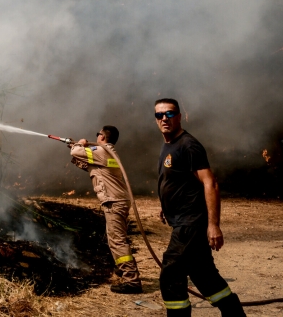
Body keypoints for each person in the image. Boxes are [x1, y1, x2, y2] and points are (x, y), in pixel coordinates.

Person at [154, 98, 246, 316]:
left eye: (169, 113)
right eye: (159, 115)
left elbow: (210, 182)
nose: (164, 119)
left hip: (191, 222)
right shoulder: (169, 144)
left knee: (171, 273)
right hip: (182, 218)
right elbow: (176, 180)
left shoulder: (189, 145)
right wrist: (165, 205)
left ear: (179, 116)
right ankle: (234, 314)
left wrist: (214, 225)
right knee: (202, 273)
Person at [70, 126, 143, 294]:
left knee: (117, 241)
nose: (95, 136)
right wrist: (77, 148)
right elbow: (88, 165)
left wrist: (79, 144)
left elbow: (76, 153)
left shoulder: (100, 151)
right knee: (119, 238)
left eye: (98, 134)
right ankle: (122, 267)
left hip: (114, 202)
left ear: (102, 137)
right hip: (119, 200)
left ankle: (131, 280)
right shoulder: (108, 153)